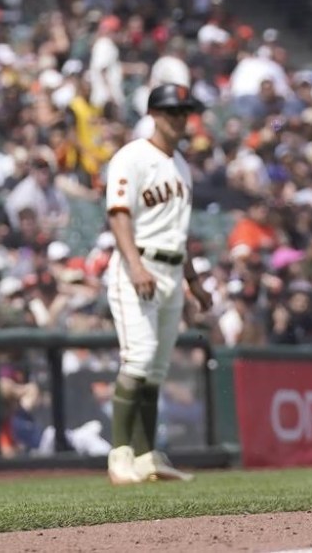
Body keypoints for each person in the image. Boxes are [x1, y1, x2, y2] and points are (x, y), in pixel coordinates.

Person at [103, 83, 212, 485]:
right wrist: (134, 265)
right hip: (140, 264)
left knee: (156, 369)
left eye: (184, 111)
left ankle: (148, 457)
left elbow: (178, 233)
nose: (179, 119)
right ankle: (120, 455)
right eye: (172, 111)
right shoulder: (131, 156)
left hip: (170, 269)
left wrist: (194, 283)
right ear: (153, 114)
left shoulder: (181, 165)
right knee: (138, 358)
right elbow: (118, 215)